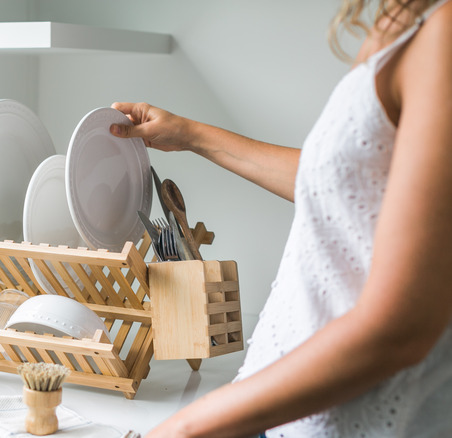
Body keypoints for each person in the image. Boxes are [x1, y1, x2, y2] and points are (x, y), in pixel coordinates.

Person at [109, 0, 452, 436]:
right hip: (291, 417)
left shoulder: (444, 32)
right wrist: (190, 134)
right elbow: (343, 186)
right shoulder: (404, 20)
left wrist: (184, 427)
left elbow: (404, 327)